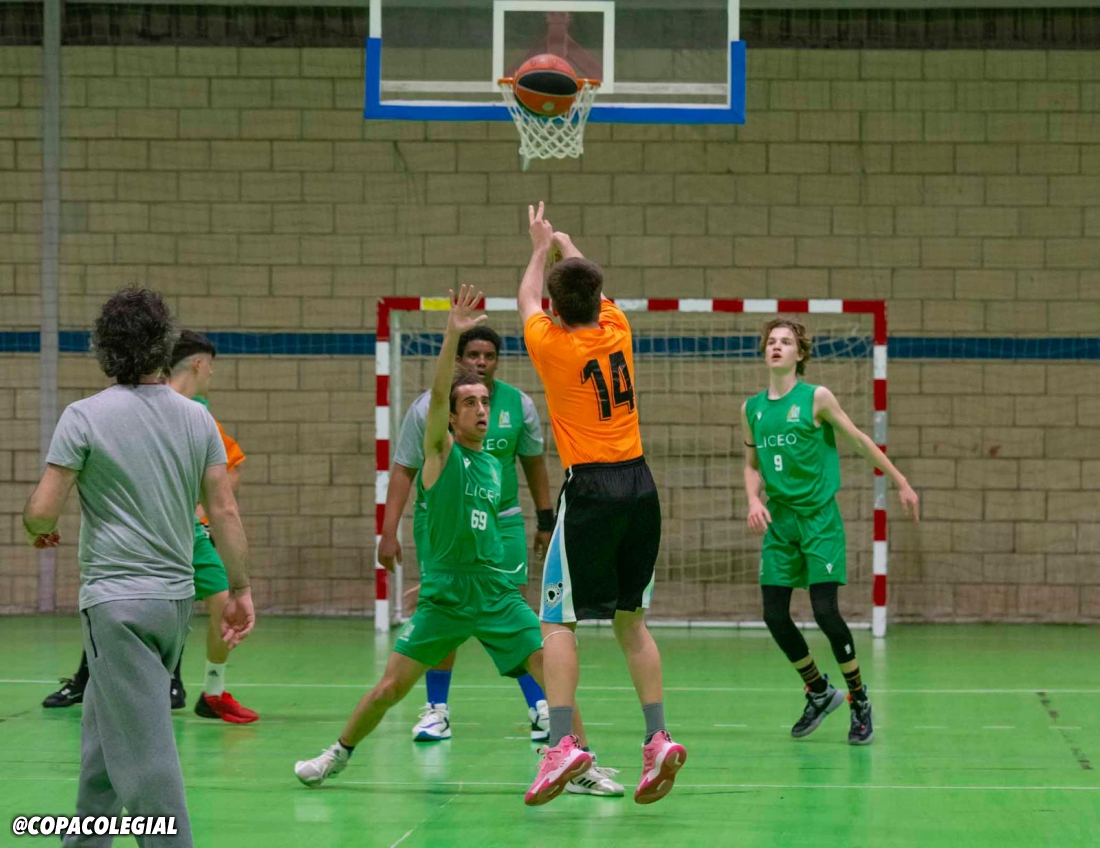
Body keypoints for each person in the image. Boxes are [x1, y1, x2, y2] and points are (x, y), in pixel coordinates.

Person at [294, 288, 614, 804]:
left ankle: (580, 765)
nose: (482, 409)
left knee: (552, 673)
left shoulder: (491, 463)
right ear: (450, 415)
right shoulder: (440, 454)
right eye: (470, 403)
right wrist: (451, 334)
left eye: (485, 402)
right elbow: (440, 392)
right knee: (390, 688)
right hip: (445, 598)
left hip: (494, 593)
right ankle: (337, 753)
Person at [23, 288, 254, 847]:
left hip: (114, 606)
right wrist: (241, 588)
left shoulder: (83, 416)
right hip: (172, 605)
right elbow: (224, 510)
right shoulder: (197, 419)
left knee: (148, 758)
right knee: (103, 745)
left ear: (105, 348)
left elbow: (42, 511)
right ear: (161, 345)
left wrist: (38, 528)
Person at [517, 202, 687, 806]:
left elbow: (526, 298)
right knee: (630, 621)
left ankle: (562, 743)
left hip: (591, 489)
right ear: (597, 297)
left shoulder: (551, 345)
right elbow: (586, 283)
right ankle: (657, 737)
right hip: (641, 485)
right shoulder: (618, 327)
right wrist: (565, 243)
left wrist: (538, 246)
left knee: (556, 621)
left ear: (558, 309)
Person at [42, 331, 258, 724]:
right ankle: (92, 678)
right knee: (125, 603)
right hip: (138, 536)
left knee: (206, 598)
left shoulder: (198, 413)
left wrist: (199, 506)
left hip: (184, 530)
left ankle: (209, 689)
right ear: (198, 363)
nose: (212, 373)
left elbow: (231, 472)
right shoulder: (136, 407)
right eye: (211, 365)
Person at [742, 317, 920, 745]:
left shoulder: (816, 398)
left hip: (819, 520)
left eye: (786, 342)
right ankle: (819, 691)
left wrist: (900, 480)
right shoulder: (752, 409)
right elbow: (751, 464)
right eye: (771, 341)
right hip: (780, 522)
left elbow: (858, 440)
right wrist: (753, 500)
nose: (777, 346)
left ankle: (858, 699)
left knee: (825, 612)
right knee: (773, 615)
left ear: (800, 354)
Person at [379, 324, 556, 744]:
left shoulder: (519, 405)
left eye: (489, 356)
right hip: (442, 519)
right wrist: (388, 530)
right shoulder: (428, 410)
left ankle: (540, 707)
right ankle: (436, 710)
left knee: (511, 610)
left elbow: (534, 463)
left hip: (502, 519)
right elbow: (404, 468)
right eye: (473, 354)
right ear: (459, 359)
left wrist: (545, 519)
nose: (481, 362)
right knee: (445, 608)